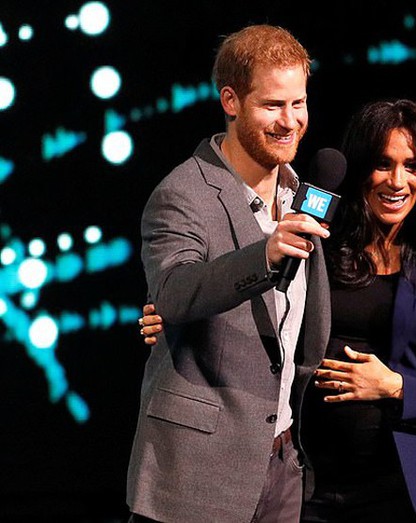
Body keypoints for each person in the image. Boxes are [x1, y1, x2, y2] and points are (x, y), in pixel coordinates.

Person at [139, 99, 416, 522]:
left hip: (403, 488)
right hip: (305, 484)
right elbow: (257, 304)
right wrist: (178, 314)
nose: (397, 181)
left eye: (412, 165)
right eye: (382, 164)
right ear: (359, 167)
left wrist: (396, 386)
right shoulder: (319, 239)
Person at [127, 24, 333, 523]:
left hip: (282, 461)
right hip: (197, 473)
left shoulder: (300, 192)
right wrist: (265, 255)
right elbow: (175, 292)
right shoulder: (182, 194)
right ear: (231, 100)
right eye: (273, 105)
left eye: (298, 103)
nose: (291, 122)